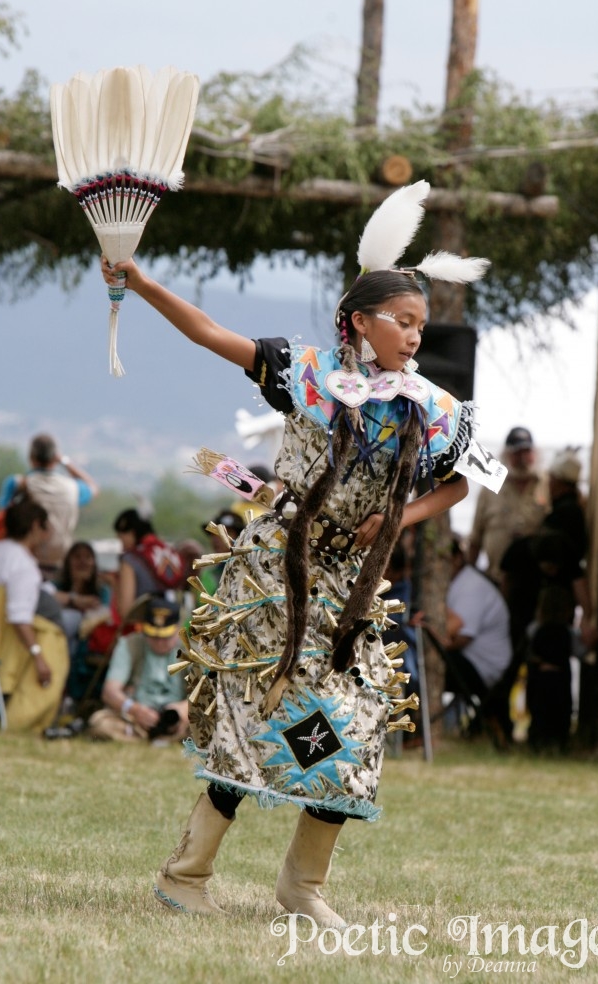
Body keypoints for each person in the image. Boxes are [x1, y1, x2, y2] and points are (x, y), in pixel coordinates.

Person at [101, 181, 491, 926]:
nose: (414, 336)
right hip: (277, 572)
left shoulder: (430, 407)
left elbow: (462, 487)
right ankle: (186, 875)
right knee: (259, 711)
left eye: (421, 323)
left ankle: (302, 886)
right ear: (358, 322)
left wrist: (400, 516)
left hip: (352, 586)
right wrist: (142, 282)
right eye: (401, 321)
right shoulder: (307, 374)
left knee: (358, 721)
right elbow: (212, 334)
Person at [0, 498, 69, 731]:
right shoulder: (23, 564)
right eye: (47, 526)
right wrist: (38, 656)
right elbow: (19, 617)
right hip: (3, 639)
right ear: (35, 526)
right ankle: (18, 724)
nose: (50, 532)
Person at [89, 597, 188, 743]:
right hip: (135, 718)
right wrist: (134, 710)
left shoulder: (190, 650)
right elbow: (110, 691)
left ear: (178, 629)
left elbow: (207, 693)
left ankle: (161, 736)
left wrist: (184, 708)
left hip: (179, 720)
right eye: (154, 636)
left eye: (166, 637)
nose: (160, 643)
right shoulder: (130, 644)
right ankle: (154, 738)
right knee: (100, 723)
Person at [0, 434, 99, 575]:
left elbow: (3, 510)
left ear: (31, 457)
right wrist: (65, 461)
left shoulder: (18, 484)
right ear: (54, 458)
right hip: (62, 564)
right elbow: (93, 487)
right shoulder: (71, 488)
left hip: (25, 562)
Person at [445, 537, 513, 743]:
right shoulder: (461, 582)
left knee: (428, 662)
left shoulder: (470, 587)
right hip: (473, 660)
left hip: (485, 668)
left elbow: (461, 637)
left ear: (458, 558)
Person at [468, 426, 547, 585]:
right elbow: (475, 539)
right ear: (506, 455)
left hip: (537, 582)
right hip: (496, 580)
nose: (522, 458)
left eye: (526, 452)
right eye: (517, 453)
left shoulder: (547, 485)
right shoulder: (490, 488)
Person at [524, 585, 587, 753]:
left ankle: (537, 743)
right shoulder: (569, 633)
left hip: (539, 679)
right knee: (561, 714)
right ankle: (560, 744)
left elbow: (529, 651)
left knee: (539, 714)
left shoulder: (534, 630)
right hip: (560, 678)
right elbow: (580, 652)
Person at [50, 541, 112, 706]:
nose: (82, 562)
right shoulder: (57, 587)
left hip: (90, 642)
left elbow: (104, 616)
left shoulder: (102, 590)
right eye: (77, 557)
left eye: (87, 557)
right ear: (68, 561)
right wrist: (76, 593)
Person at [112, 507, 186, 618]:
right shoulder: (173, 553)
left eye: (121, 538)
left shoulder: (130, 559)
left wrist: (113, 583)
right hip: (177, 626)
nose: (121, 545)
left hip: (147, 629)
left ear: (131, 533)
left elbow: (125, 611)